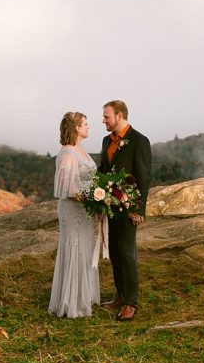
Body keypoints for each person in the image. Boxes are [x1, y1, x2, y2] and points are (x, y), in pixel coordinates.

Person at [98, 100, 151, 322]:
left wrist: (138, 209)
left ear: (119, 116)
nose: (104, 120)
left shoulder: (139, 141)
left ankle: (131, 303)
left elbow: (143, 177)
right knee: (116, 253)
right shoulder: (105, 141)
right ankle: (120, 296)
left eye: (106, 116)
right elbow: (103, 171)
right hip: (111, 207)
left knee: (127, 254)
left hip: (129, 208)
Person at [48, 111, 101, 318]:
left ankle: (82, 297)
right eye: (85, 124)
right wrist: (93, 199)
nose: (88, 127)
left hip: (84, 209)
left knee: (84, 250)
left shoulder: (80, 149)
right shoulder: (68, 152)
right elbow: (67, 188)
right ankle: (72, 303)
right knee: (75, 249)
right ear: (77, 128)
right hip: (73, 210)